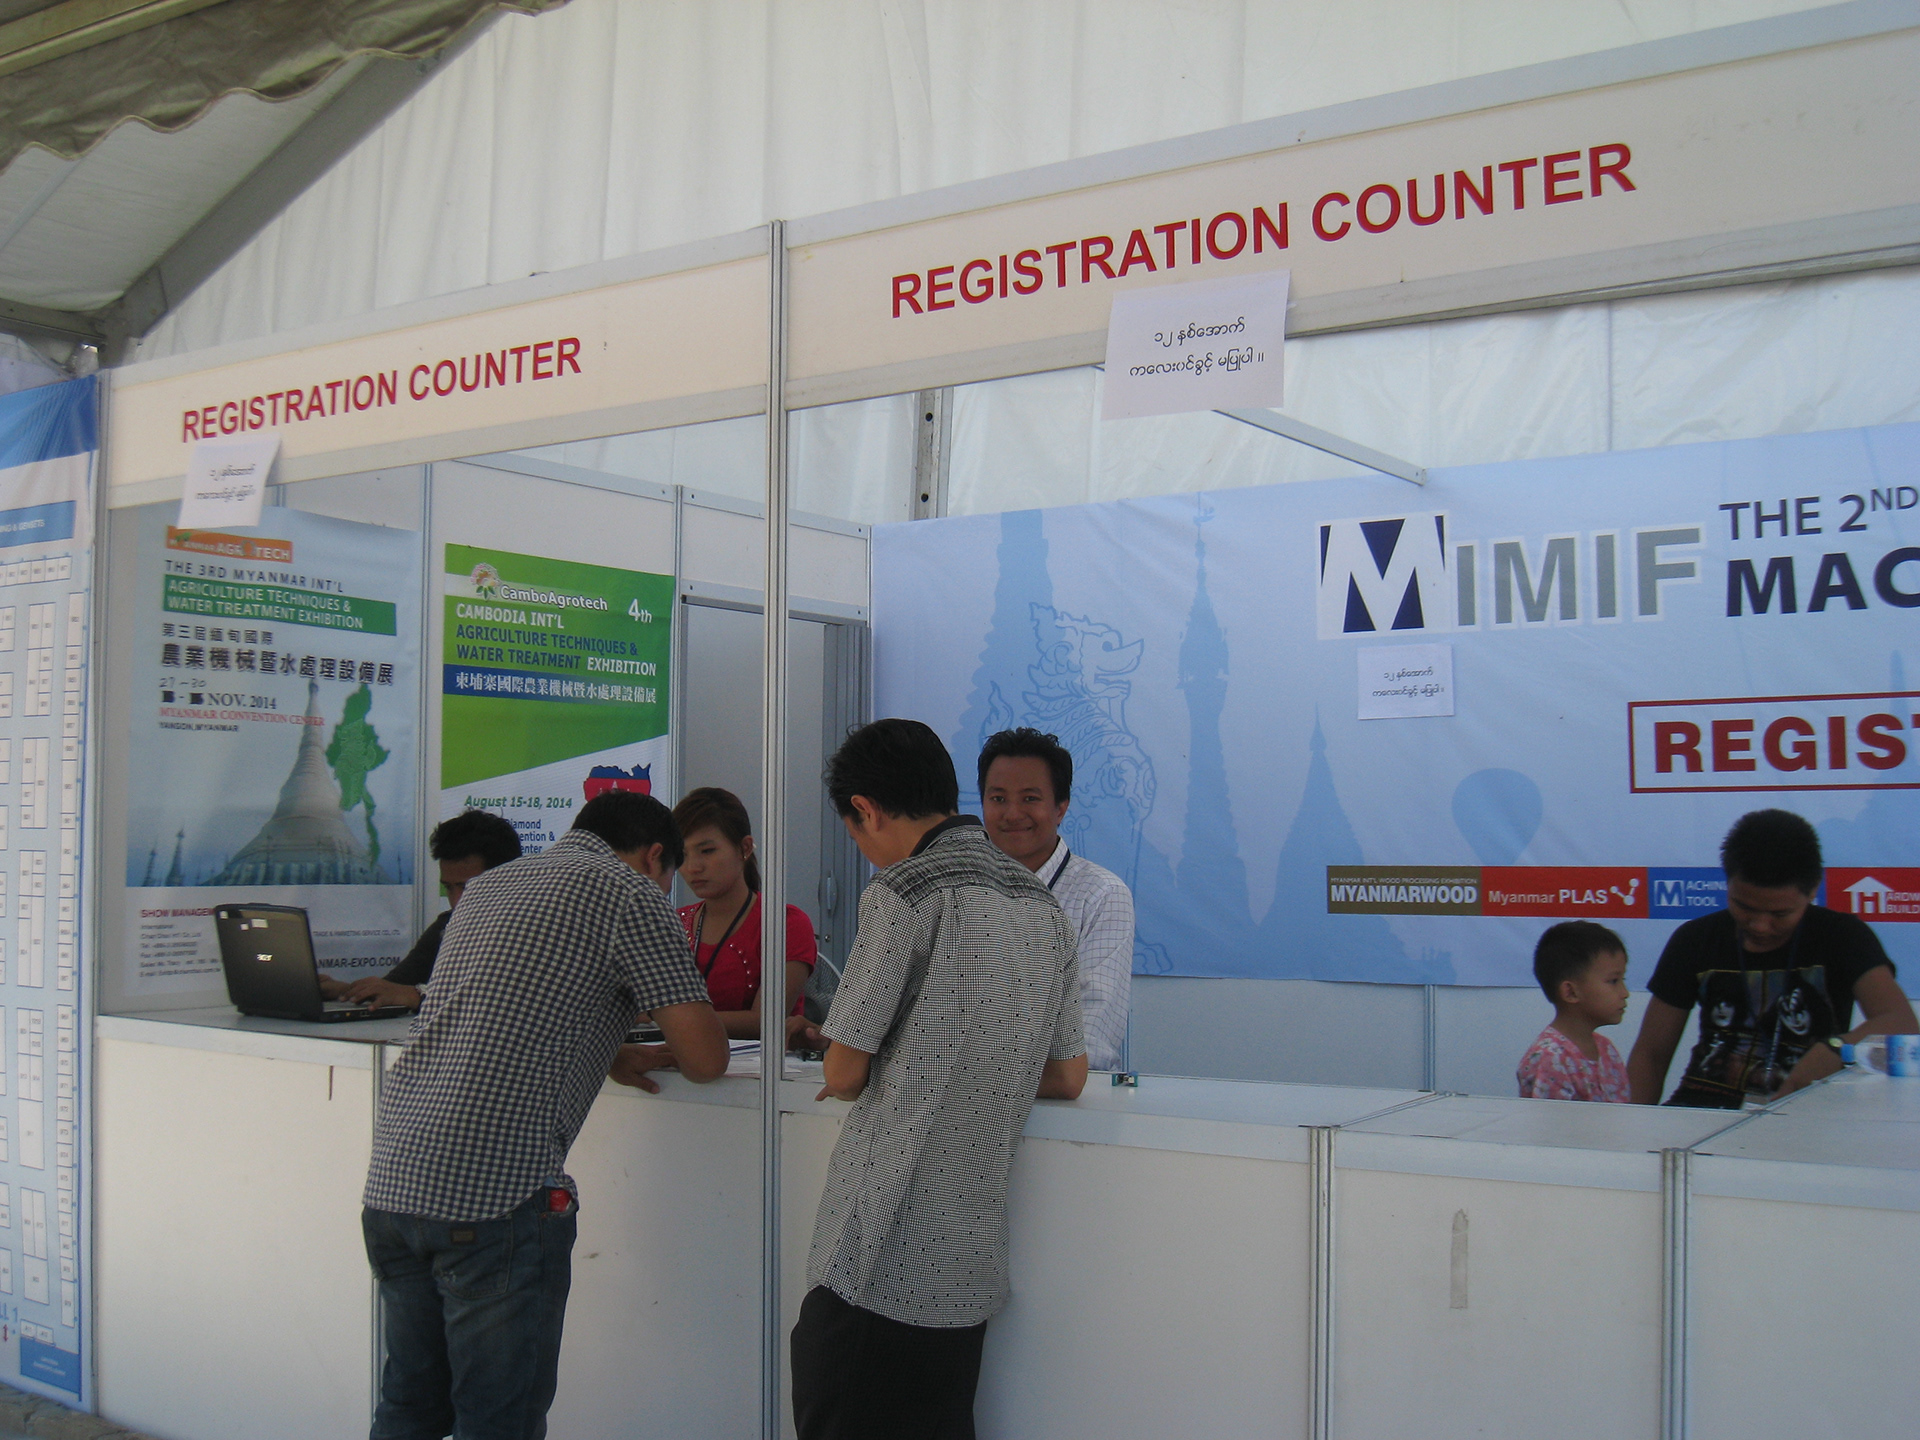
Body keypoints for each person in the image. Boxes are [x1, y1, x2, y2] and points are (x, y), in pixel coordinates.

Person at [360, 790, 729, 1440]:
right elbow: (704, 1058)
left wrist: (610, 1050)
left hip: (395, 1184)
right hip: (492, 1199)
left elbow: (503, 1008)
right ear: (654, 857)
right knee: (498, 1423)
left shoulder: (489, 887)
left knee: (410, 1410)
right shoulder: (630, 893)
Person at [791, 719, 1087, 1440]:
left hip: (876, 1254)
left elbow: (844, 1067)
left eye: (855, 832)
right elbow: (1068, 1073)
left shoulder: (904, 892)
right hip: (961, 1269)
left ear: (866, 809)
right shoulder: (1042, 906)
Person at [1628, 808, 1918, 1107]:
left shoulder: (1842, 936)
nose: (1760, 926)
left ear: (1813, 890)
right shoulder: (1695, 939)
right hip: (1701, 1108)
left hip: (1806, 1111)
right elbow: (1651, 1055)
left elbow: (1902, 1023)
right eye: (1744, 907)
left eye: (1780, 914)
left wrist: (1837, 1048)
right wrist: (1635, 1123)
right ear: (1728, 882)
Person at [978, 727, 1134, 1072]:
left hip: (1066, 1093)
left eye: (1030, 799)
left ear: (1061, 808)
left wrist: (985, 1073)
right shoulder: (960, 889)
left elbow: (1094, 1035)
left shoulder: (1101, 894)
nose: (1012, 814)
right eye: (998, 799)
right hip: (963, 1092)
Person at [318, 808, 522, 1008]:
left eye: (467, 887)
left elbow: (504, 1000)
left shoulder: (529, 931)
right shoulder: (447, 924)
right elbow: (393, 988)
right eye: (448, 888)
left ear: (507, 879)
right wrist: (348, 991)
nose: (456, 901)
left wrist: (417, 996)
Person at [672, 786, 818, 1040]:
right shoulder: (672, 923)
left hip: (761, 1063)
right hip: (678, 1058)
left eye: (707, 851)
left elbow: (765, 1020)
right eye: (682, 855)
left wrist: (668, 1020)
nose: (693, 867)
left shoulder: (783, 923)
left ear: (745, 848)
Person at [1517, 921, 1632, 1102]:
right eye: (1613, 981)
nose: (1625, 993)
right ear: (1570, 992)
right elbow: (1550, 1120)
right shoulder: (1550, 1058)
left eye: (1622, 980)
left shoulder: (1606, 1049)